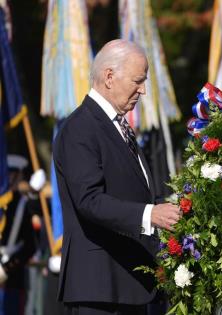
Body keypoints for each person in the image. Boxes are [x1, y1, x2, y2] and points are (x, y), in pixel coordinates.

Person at [53, 39, 181, 315]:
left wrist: (177, 207)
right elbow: (89, 200)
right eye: (138, 80)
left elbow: (134, 195)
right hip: (99, 289)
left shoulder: (120, 128)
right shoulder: (80, 127)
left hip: (129, 284)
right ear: (109, 77)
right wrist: (151, 215)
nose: (143, 90)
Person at [0, 154, 44, 315]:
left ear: (20, 176)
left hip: (12, 280)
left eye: (12, 175)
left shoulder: (24, 205)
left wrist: (7, 268)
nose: (8, 179)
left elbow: (31, 245)